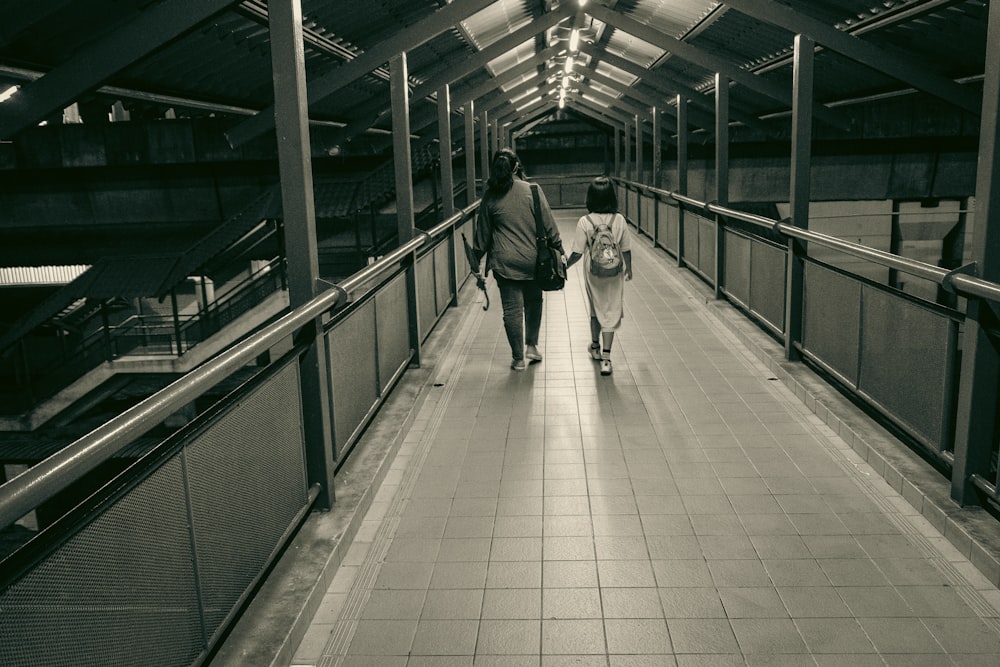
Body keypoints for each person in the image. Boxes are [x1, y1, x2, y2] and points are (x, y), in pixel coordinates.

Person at [473, 148, 565, 371]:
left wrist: (476, 265)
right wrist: (559, 248)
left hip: (505, 264)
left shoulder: (490, 195)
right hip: (534, 261)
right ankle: (531, 346)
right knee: (534, 302)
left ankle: (518, 359)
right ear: (516, 167)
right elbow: (548, 224)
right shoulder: (532, 191)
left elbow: (482, 236)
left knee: (512, 311)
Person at [565, 176, 633, 376]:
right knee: (611, 310)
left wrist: (564, 268)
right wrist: (629, 268)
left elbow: (577, 252)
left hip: (593, 272)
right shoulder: (619, 219)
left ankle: (594, 346)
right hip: (614, 271)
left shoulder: (584, 222)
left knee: (596, 307)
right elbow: (626, 248)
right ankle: (606, 358)